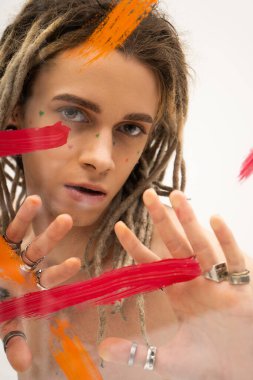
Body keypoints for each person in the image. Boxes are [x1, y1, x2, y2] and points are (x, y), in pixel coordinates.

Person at [0, 1, 252, 379]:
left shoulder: (195, 284)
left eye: (130, 128)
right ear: (15, 107)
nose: (102, 159)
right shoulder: (9, 268)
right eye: (73, 113)